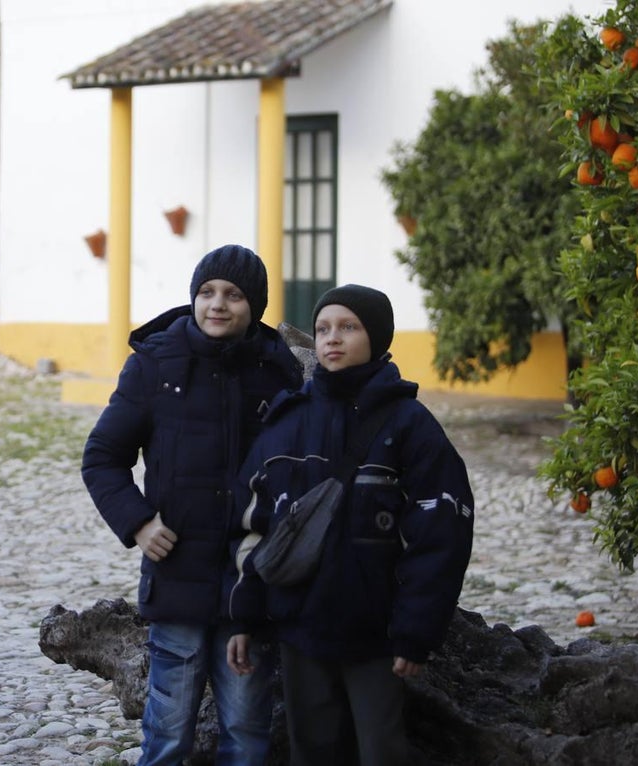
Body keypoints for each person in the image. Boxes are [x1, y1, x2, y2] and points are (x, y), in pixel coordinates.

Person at [227, 284, 474, 766]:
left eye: (348, 327)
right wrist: (244, 615)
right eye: (322, 329)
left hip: (377, 637)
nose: (331, 339)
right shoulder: (287, 422)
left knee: (381, 752)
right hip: (300, 629)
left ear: (377, 337)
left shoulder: (410, 425)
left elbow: (440, 534)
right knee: (312, 751)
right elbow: (252, 527)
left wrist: (415, 631)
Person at [82, 244, 303, 765]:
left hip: (248, 587)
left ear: (256, 306)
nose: (217, 304)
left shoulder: (278, 375)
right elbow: (102, 458)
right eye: (207, 292)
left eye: (233, 295)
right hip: (176, 578)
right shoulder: (155, 365)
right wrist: (137, 523)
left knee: (247, 736)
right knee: (168, 736)